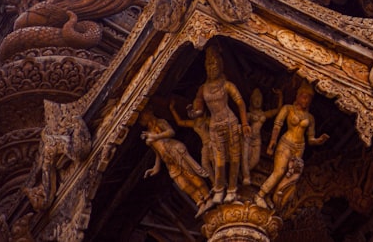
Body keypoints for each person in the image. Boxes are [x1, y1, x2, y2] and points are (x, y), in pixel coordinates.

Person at [190, 45, 250, 204]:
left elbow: (240, 103)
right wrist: (194, 113)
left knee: (235, 158)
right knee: (219, 161)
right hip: (215, 126)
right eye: (209, 65)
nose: (211, 68)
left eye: (214, 64)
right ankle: (219, 188)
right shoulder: (203, 89)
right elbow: (199, 108)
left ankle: (232, 188)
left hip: (231, 122)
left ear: (220, 65)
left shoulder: (227, 85)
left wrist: (244, 124)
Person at [255, 81, 329, 209]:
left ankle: (275, 197)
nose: (306, 101)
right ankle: (260, 194)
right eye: (304, 97)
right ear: (298, 96)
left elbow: (310, 138)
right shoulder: (288, 108)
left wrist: (319, 140)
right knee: (279, 171)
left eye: (309, 98)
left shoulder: (310, 118)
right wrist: (272, 142)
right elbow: (277, 125)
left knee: (290, 177)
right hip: (286, 143)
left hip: (300, 147)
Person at [140, 110, 210, 208]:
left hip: (175, 150)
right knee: (183, 184)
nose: (142, 118)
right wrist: (156, 167)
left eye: (144, 115)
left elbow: (170, 132)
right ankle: (200, 202)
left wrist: (155, 136)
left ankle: (207, 197)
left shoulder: (160, 122)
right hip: (168, 161)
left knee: (191, 175)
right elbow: (157, 153)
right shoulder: (148, 133)